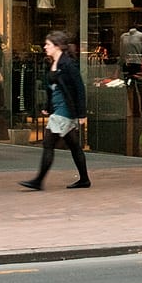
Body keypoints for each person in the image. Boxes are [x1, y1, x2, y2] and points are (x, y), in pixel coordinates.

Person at [20, 30, 90, 191]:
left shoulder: (68, 65)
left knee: (48, 143)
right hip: (59, 109)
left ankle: (38, 180)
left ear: (57, 46)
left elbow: (79, 88)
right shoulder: (53, 63)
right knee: (73, 145)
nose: (45, 47)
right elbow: (54, 89)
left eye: (48, 44)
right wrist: (48, 106)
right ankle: (84, 179)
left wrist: (82, 114)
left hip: (65, 111)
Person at [120, 25, 142, 116]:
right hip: (127, 66)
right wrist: (120, 65)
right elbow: (121, 52)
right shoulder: (123, 37)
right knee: (130, 88)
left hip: (138, 65)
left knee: (141, 88)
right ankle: (135, 111)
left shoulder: (141, 36)